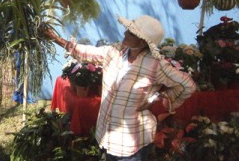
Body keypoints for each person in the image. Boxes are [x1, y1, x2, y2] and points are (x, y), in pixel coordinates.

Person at [45, 15, 196, 161]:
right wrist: (54, 37)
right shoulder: (115, 52)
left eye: (130, 32)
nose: (124, 33)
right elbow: (85, 53)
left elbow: (187, 85)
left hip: (133, 139)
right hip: (110, 134)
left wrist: (164, 98)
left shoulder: (155, 65)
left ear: (143, 42)